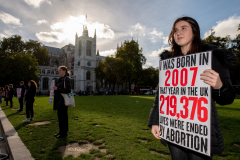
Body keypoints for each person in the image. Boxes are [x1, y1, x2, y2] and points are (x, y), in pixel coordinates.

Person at [148, 16, 236, 160]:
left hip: (199, 133)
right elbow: (161, 96)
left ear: (194, 32)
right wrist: (155, 121)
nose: (178, 33)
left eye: (184, 28)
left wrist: (220, 85)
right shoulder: (169, 63)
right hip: (174, 130)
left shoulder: (212, 58)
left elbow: (228, 98)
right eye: (175, 30)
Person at [53, 66, 71, 138]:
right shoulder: (60, 79)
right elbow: (59, 89)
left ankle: (64, 132)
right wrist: (55, 89)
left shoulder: (66, 79)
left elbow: (68, 90)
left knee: (63, 117)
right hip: (59, 100)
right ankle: (61, 131)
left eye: (60, 70)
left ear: (64, 71)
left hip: (63, 100)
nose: (59, 71)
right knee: (60, 116)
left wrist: (58, 89)